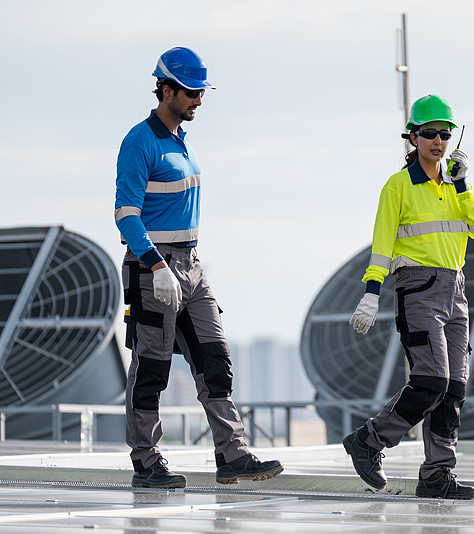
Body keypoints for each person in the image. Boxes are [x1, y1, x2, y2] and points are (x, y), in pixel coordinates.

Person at [114, 47, 283, 488]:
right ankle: (146, 462)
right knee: (151, 369)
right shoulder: (139, 142)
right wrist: (155, 266)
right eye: (191, 92)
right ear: (166, 90)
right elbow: (126, 215)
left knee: (215, 360)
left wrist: (182, 266)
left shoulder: (180, 141)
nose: (199, 101)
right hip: (154, 268)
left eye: (201, 93)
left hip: (192, 266)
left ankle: (232, 455)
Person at [344, 94, 474, 499]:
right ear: (412, 137)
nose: (438, 141)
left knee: (455, 387)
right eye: (429, 133)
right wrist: (371, 293)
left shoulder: (457, 185)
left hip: (455, 290)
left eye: (444, 133)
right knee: (431, 380)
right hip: (418, 289)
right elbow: (382, 246)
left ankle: (437, 475)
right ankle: (368, 441)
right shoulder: (397, 187)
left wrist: (462, 184)